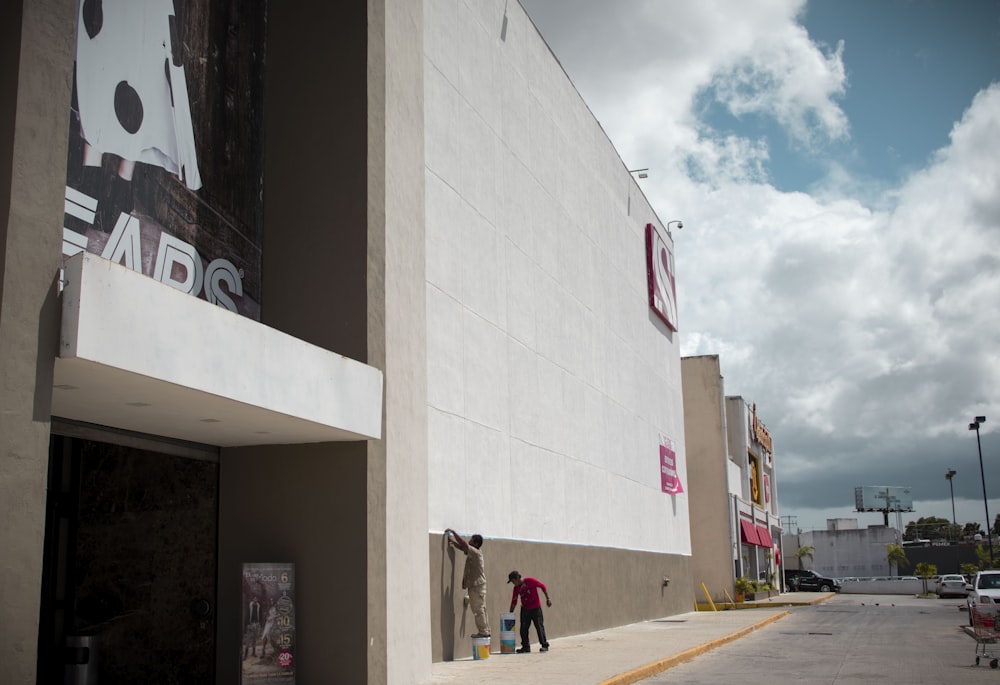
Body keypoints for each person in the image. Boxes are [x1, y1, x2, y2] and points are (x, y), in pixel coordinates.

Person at [445, 528, 490, 638]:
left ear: (475, 543)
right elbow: (462, 547)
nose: (469, 541)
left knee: (478, 609)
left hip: (477, 586)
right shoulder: (473, 552)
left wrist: (453, 532)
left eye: (471, 540)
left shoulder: (476, 552)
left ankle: (484, 632)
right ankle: (485, 630)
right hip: (477, 585)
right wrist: (452, 541)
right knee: (480, 608)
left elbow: (463, 544)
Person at [508, 570, 551, 653]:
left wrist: (548, 598)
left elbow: (542, 586)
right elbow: (514, 600)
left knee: (539, 627)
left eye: (513, 581)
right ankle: (526, 647)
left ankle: (544, 645)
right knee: (523, 629)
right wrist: (510, 612)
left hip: (535, 608)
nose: (513, 583)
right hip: (525, 609)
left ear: (517, 578)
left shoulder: (530, 581)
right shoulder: (516, 588)